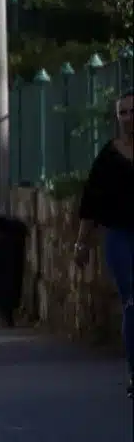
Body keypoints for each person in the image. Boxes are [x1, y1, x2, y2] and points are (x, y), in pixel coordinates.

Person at [74, 89, 134, 399]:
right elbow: (91, 203)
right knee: (132, 301)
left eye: (132, 111)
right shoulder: (109, 156)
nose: (128, 118)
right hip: (121, 236)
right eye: (122, 112)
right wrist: (81, 243)